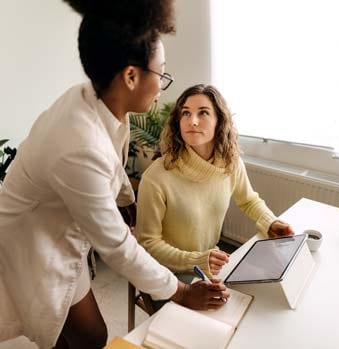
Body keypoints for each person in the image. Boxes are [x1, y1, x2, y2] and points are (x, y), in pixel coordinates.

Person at [0, 3, 229, 349]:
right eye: (162, 75)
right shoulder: (80, 144)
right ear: (132, 76)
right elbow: (118, 249)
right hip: (31, 240)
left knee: (84, 334)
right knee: (86, 335)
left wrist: (129, 204)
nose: (162, 87)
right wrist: (182, 292)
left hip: (57, 231)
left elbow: (114, 169)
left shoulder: (95, 101)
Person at [136, 84, 294, 278]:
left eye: (203, 113)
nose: (192, 121)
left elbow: (249, 200)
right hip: (167, 273)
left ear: (219, 121)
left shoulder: (230, 163)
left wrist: (271, 222)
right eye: (185, 113)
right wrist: (196, 260)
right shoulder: (157, 176)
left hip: (209, 264)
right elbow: (148, 243)